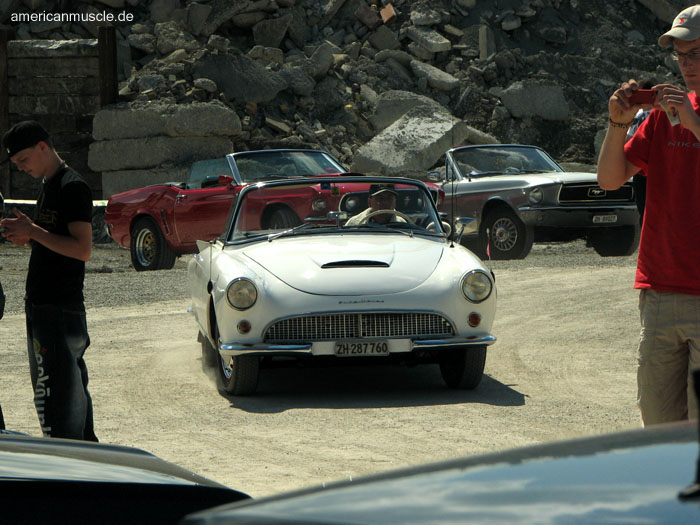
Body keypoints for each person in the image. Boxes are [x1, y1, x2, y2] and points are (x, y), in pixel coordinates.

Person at [597, 4, 700, 426]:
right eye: (681, 55)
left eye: (696, 53)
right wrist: (617, 124)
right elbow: (610, 180)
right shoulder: (662, 115)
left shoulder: (683, 113)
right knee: (658, 426)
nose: (686, 64)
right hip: (660, 290)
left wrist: (694, 123)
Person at [0, 120, 97, 441]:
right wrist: (28, 238)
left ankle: (76, 465)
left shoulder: (72, 186)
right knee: (57, 402)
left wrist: (33, 232)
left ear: (42, 146)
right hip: (44, 308)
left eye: (23, 159)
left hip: (60, 309)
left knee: (60, 409)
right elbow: (53, 241)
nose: (20, 167)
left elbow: (82, 250)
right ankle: (85, 460)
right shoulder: (48, 184)